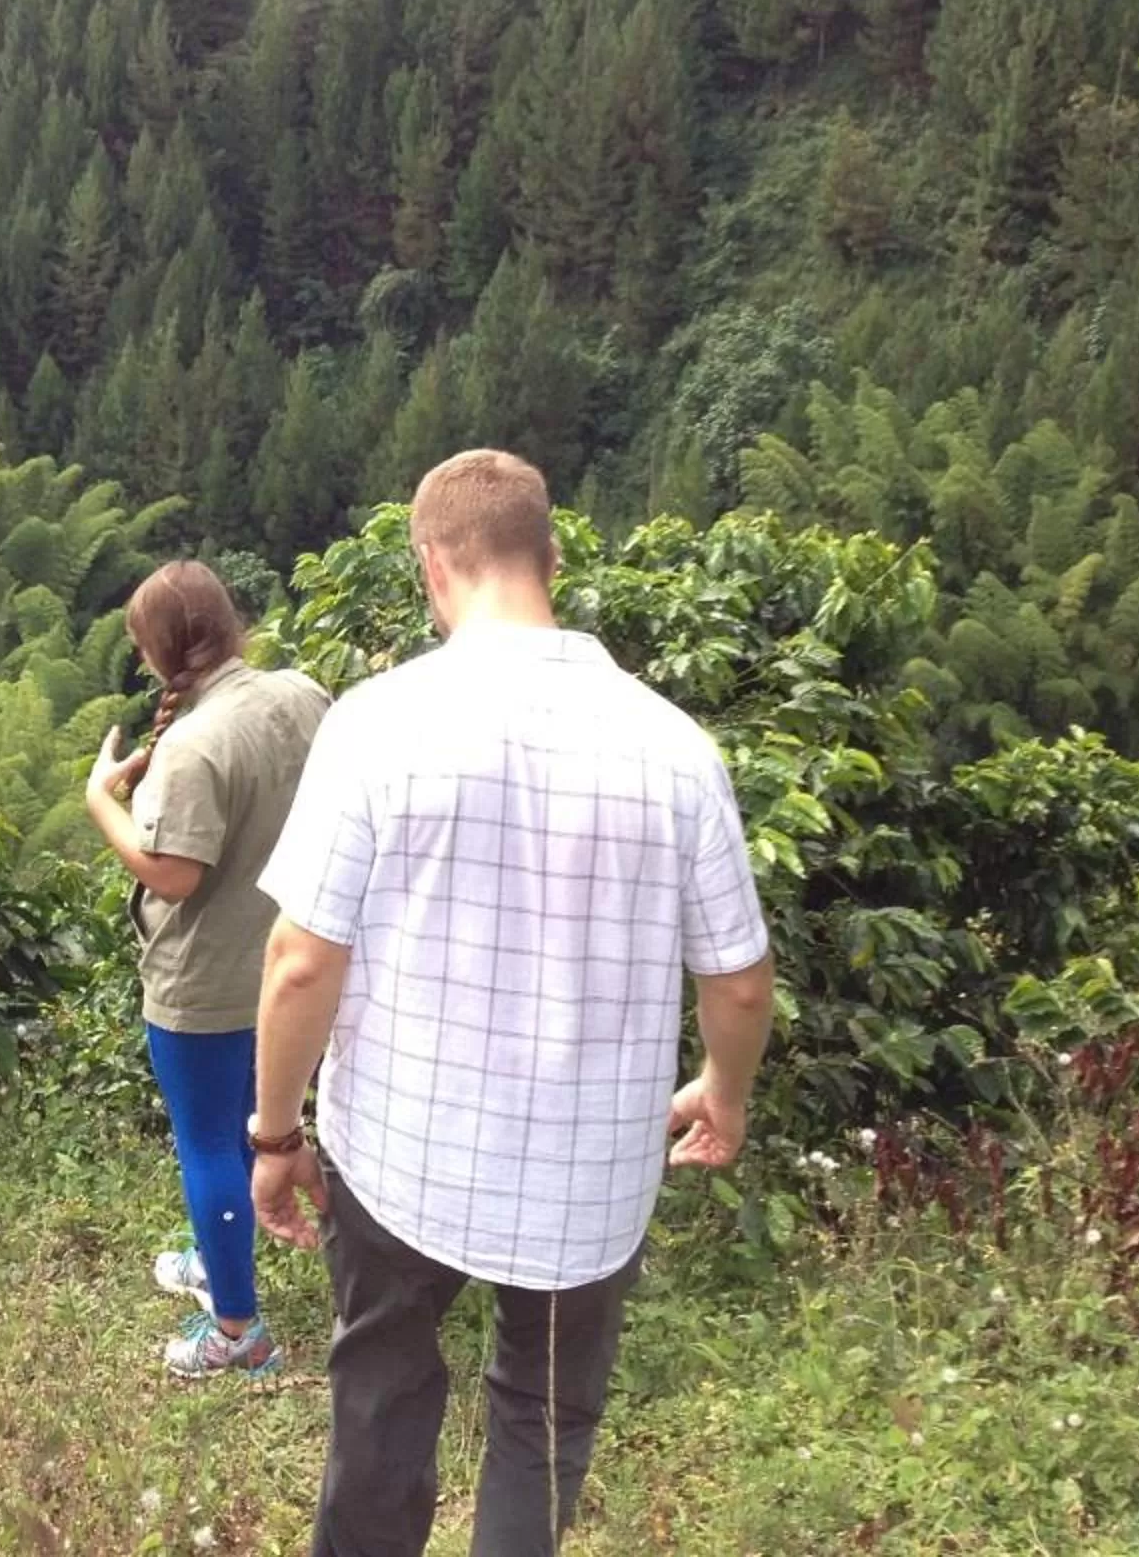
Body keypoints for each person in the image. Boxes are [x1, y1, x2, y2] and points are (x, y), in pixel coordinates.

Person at [249, 450, 776, 1556]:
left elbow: (301, 959)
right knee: (541, 1418)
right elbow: (735, 977)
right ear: (553, 557)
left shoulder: (380, 721)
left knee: (383, 1390)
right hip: (588, 1177)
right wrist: (724, 1096)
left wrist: (277, 1132)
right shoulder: (678, 749)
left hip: (403, 1149)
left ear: (431, 568)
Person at [84, 562, 329, 1381]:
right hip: (293, 959)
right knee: (252, 1125)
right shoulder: (302, 694)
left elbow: (173, 875)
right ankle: (215, 1254)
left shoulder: (192, 743)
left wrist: (101, 806)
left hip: (207, 977)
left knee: (207, 1143)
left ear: (154, 651)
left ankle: (238, 1331)